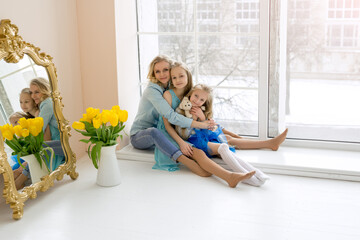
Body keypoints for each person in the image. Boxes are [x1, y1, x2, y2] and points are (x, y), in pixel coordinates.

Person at [130, 55, 254, 187]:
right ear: (153, 73)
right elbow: (170, 118)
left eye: (165, 70)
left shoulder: (175, 89)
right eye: (157, 71)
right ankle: (189, 163)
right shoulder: (154, 91)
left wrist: (205, 121)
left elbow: (199, 114)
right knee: (156, 132)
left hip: (170, 132)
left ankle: (230, 176)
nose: (162, 74)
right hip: (142, 134)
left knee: (209, 145)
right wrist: (198, 126)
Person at [179, 84, 283, 186]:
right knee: (224, 146)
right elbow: (183, 134)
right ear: (191, 94)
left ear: (205, 102)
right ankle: (251, 179)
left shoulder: (203, 111)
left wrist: (203, 119)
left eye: (202, 100)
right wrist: (194, 120)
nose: (197, 101)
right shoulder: (182, 110)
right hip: (194, 143)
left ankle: (257, 173)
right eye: (196, 96)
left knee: (226, 146)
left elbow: (212, 131)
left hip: (206, 140)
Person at [30, 77, 64, 170]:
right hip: (56, 138)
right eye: (31, 92)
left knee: (34, 149)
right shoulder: (47, 102)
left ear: (44, 90)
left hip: (59, 140)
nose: (33, 96)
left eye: (37, 92)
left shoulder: (47, 103)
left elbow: (40, 127)